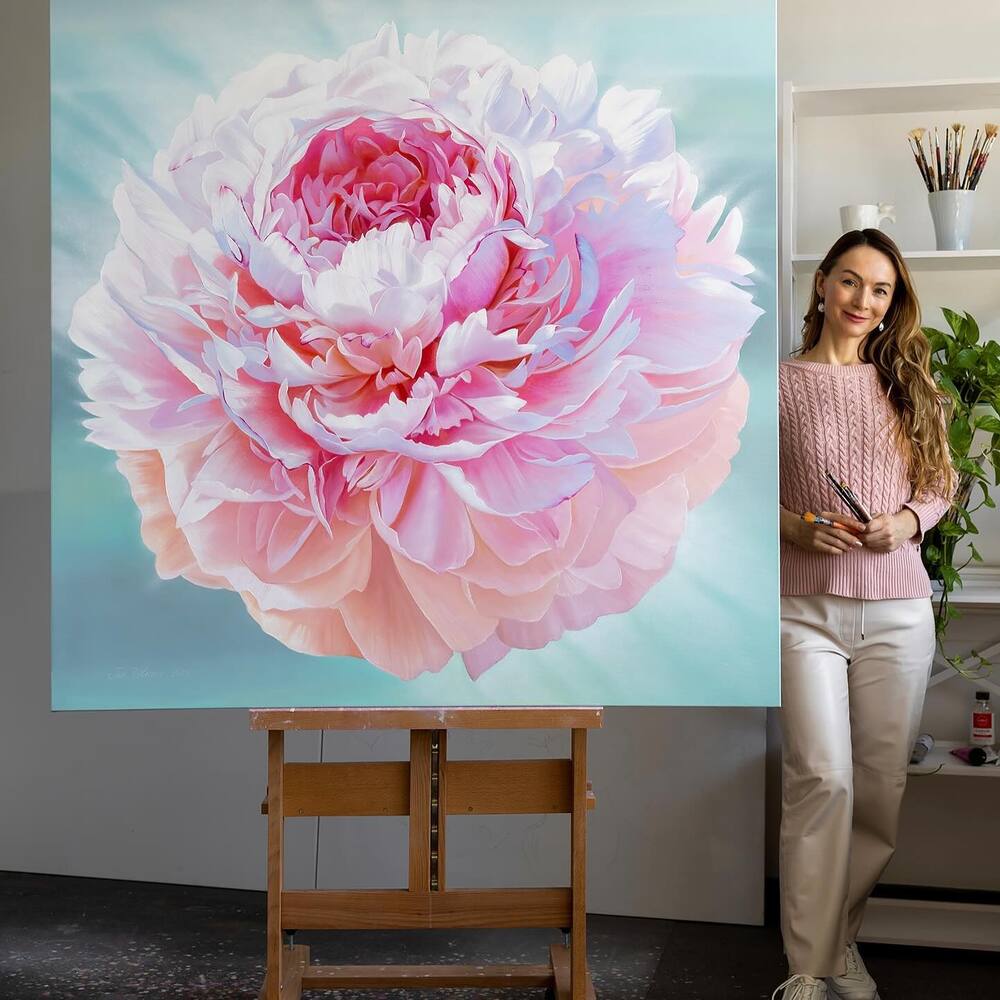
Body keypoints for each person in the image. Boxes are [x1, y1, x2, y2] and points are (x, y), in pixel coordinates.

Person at [773, 229, 955, 1000]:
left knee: (880, 790)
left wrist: (905, 522)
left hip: (898, 613)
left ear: (892, 303)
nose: (862, 302)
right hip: (801, 609)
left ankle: (841, 946)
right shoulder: (775, 384)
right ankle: (807, 973)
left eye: (879, 290)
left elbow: (941, 484)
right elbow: (732, 492)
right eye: (850, 282)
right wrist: (795, 526)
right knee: (822, 779)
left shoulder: (911, 383)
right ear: (821, 284)